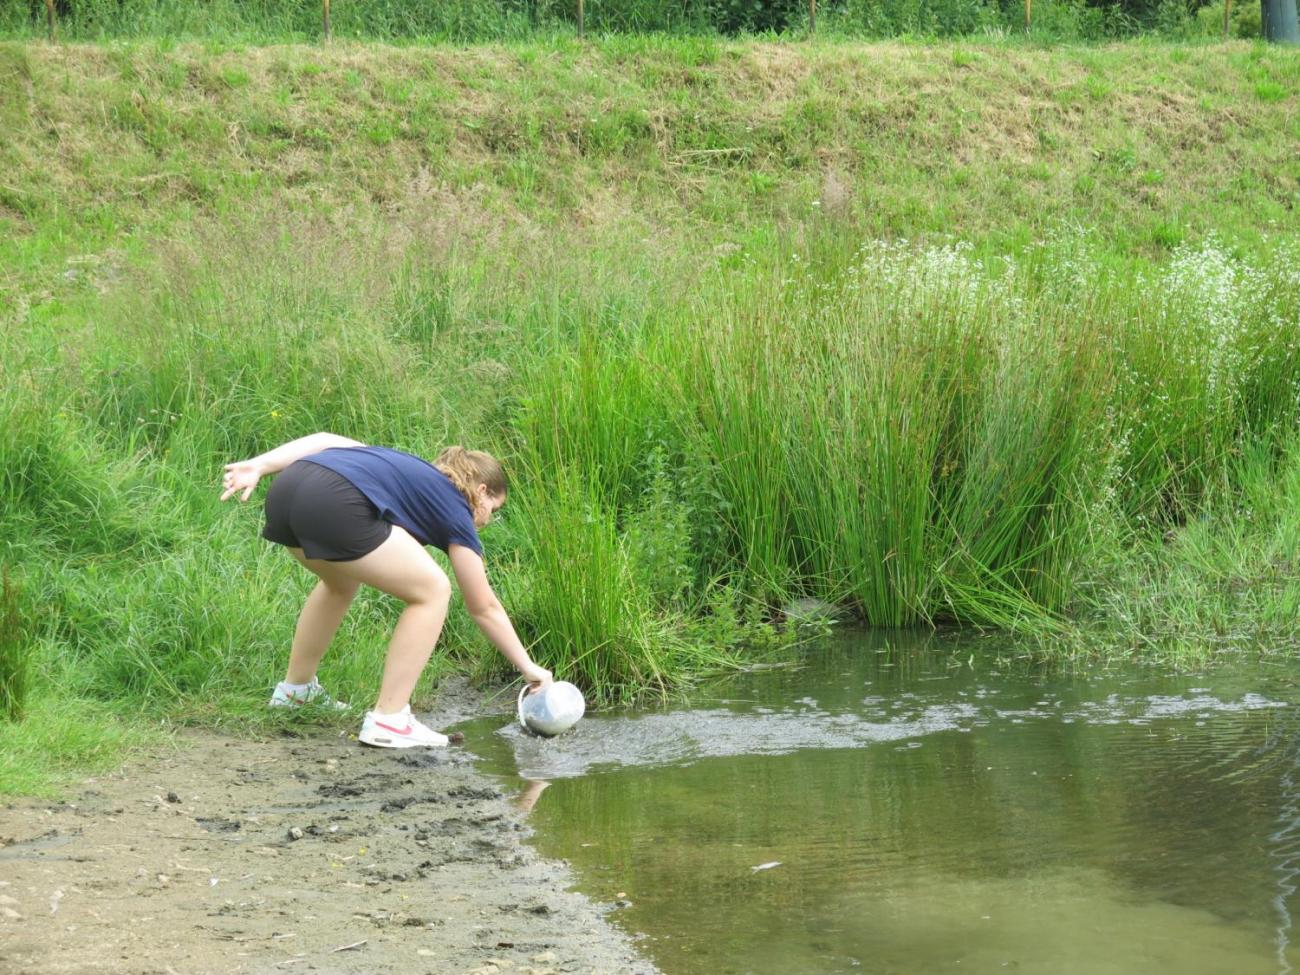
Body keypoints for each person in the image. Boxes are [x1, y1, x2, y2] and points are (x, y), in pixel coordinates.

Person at [219, 432, 553, 749]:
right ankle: (389, 720)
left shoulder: (402, 467)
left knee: (340, 583)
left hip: (287, 492)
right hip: (332, 500)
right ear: (481, 491)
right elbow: (483, 607)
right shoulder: (456, 508)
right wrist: (528, 667)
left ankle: (296, 692)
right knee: (433, 591)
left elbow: (325, 441)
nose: (486, 521)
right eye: (493, 510)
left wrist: (261, 465)